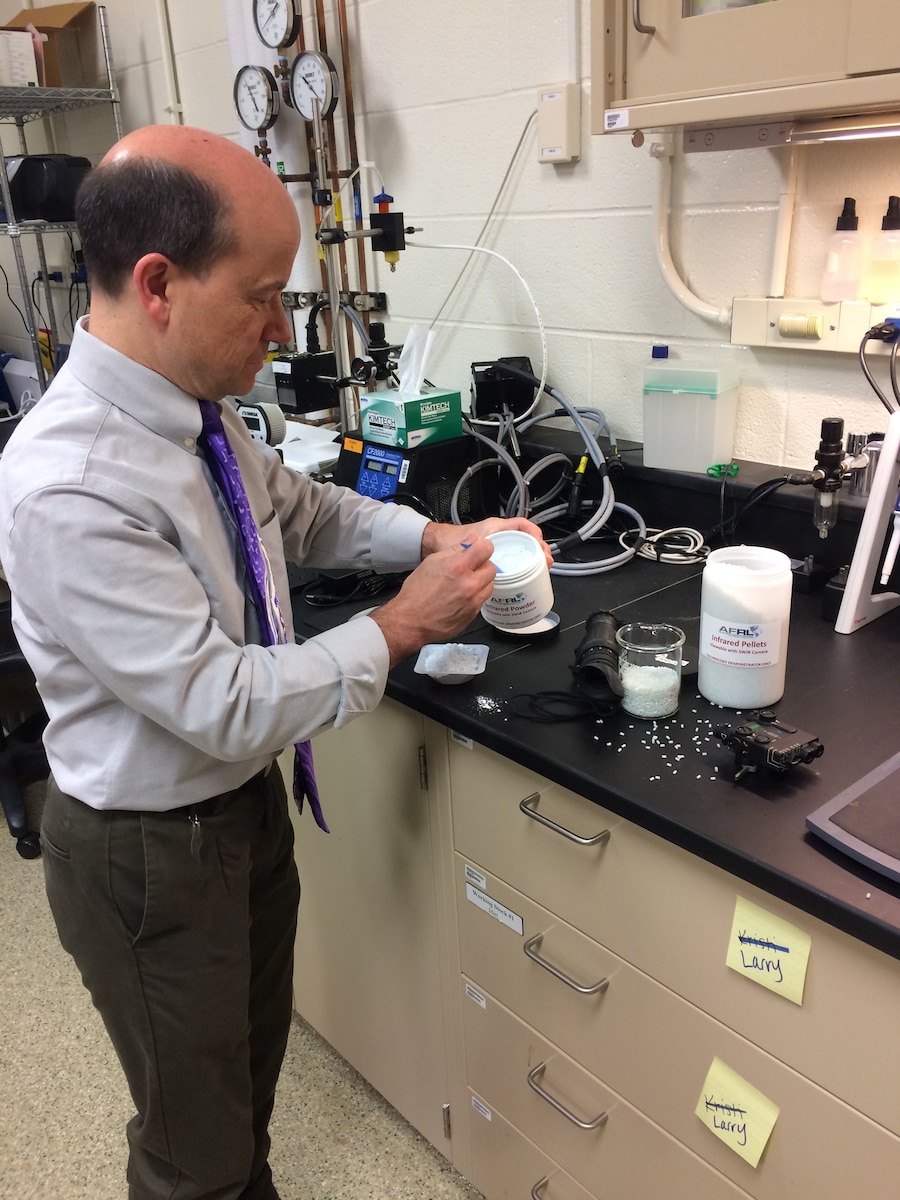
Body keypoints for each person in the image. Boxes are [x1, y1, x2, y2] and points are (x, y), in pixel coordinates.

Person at [0, 124, 550, 1200]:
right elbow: (221, 702)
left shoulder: (192, 415)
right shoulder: (72, 484)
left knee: (239, 1094)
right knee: (189, 1152)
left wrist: (423, 540)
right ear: (159, 284)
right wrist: (398, 626)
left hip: (239, 815)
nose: (282, 327)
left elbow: (295, 511)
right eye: (262, 295)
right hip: (150, 853)